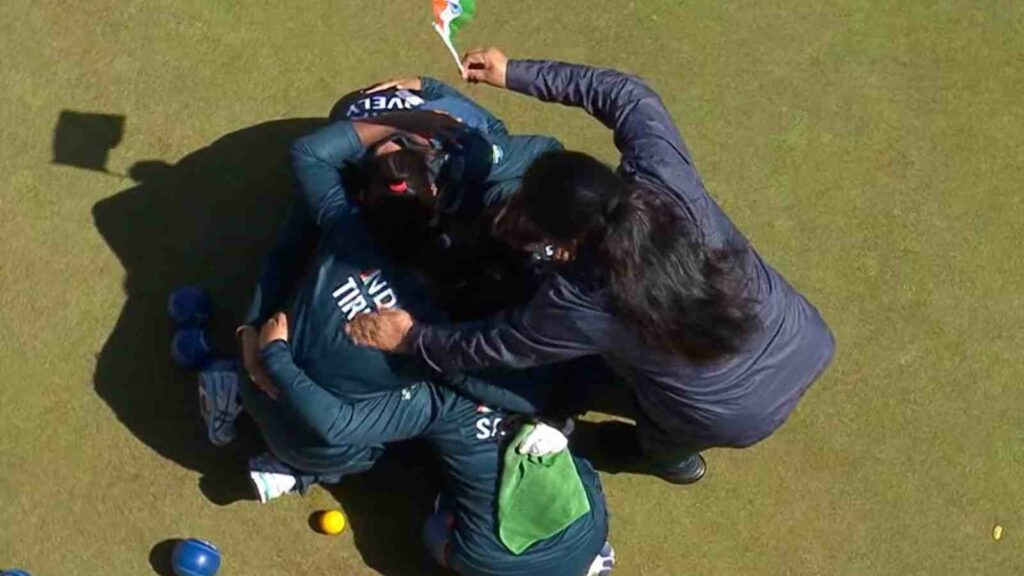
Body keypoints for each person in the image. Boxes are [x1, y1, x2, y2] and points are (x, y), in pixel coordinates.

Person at [346, 48, 837, 485]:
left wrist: (410, 338)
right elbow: (625, 94)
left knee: (663, 431)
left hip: (728, 413)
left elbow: (493, 345)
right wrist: (513, 72)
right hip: (804, 337)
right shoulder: (664, 177)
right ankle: (673, 454)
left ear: (564, 241)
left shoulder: (579, 302)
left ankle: (669, 463)